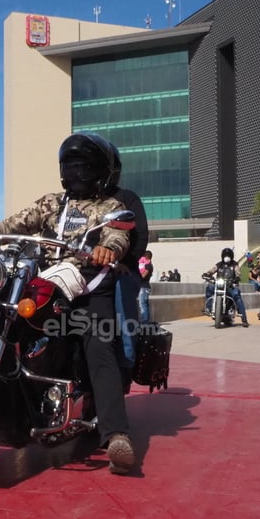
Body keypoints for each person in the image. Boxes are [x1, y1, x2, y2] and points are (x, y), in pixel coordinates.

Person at [0, 132, 135, 475]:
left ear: (101, 171)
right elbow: (11, 224)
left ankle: (116, 433)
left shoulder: (110, 207)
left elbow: (118, 236)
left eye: (83, 166)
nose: (75, 172)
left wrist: (109, 249)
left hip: (89, 283)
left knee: (98, 344)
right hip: (41, 282)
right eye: (70, 166)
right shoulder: (51, 203)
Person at [106, 151, 150, 378]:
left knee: (121, 296)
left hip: (121, 268)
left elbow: (140, 236)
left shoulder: (127, 198)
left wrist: (124, 262)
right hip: (85, 269)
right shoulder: (74, 201)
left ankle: (126, 362)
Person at [202, 247, 249, 327]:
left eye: (228, 255)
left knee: (237, 295)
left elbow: (238, 273)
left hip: (230, 286)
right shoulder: (219, 264)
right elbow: (211, 270)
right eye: (225, 255)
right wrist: (206, 274)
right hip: (219, 285)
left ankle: (243, 318)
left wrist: (236, 279)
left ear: (231, 256)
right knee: (209, 288)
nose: (226, 257)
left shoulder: (235, 264)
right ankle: (208, 308)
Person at [138, 250, 154, 323]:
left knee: (142, 304)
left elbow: (144, 275)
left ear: (147, 257)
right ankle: (147, 321)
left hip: (144, 287)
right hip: (145, 287)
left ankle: (144, 321)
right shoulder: (148, 265)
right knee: (145, 304)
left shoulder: (148, 265)